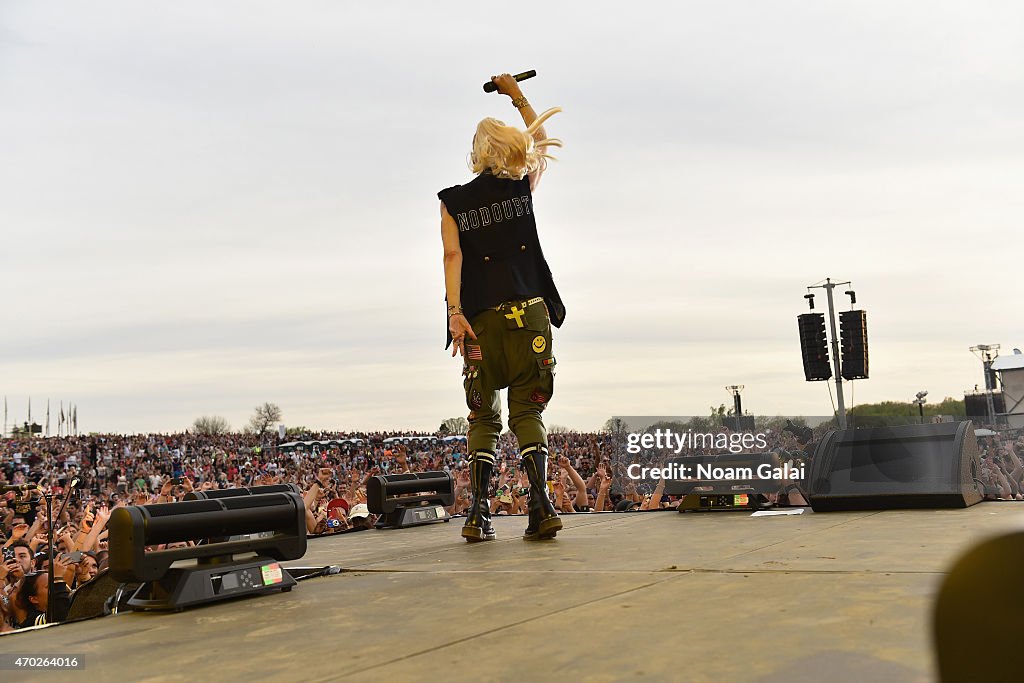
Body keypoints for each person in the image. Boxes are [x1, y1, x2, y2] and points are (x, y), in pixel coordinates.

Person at [438, 72, 565, 542]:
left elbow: (453, 256)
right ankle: (542, 505)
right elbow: (543, 143)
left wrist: (455, 314)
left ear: (477, 152)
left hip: (480, 320)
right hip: (530, 314)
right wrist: (517, 95)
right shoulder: (519, 191)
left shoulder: (453, 202)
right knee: (527, 413)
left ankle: (478, 514)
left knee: (484, 415)